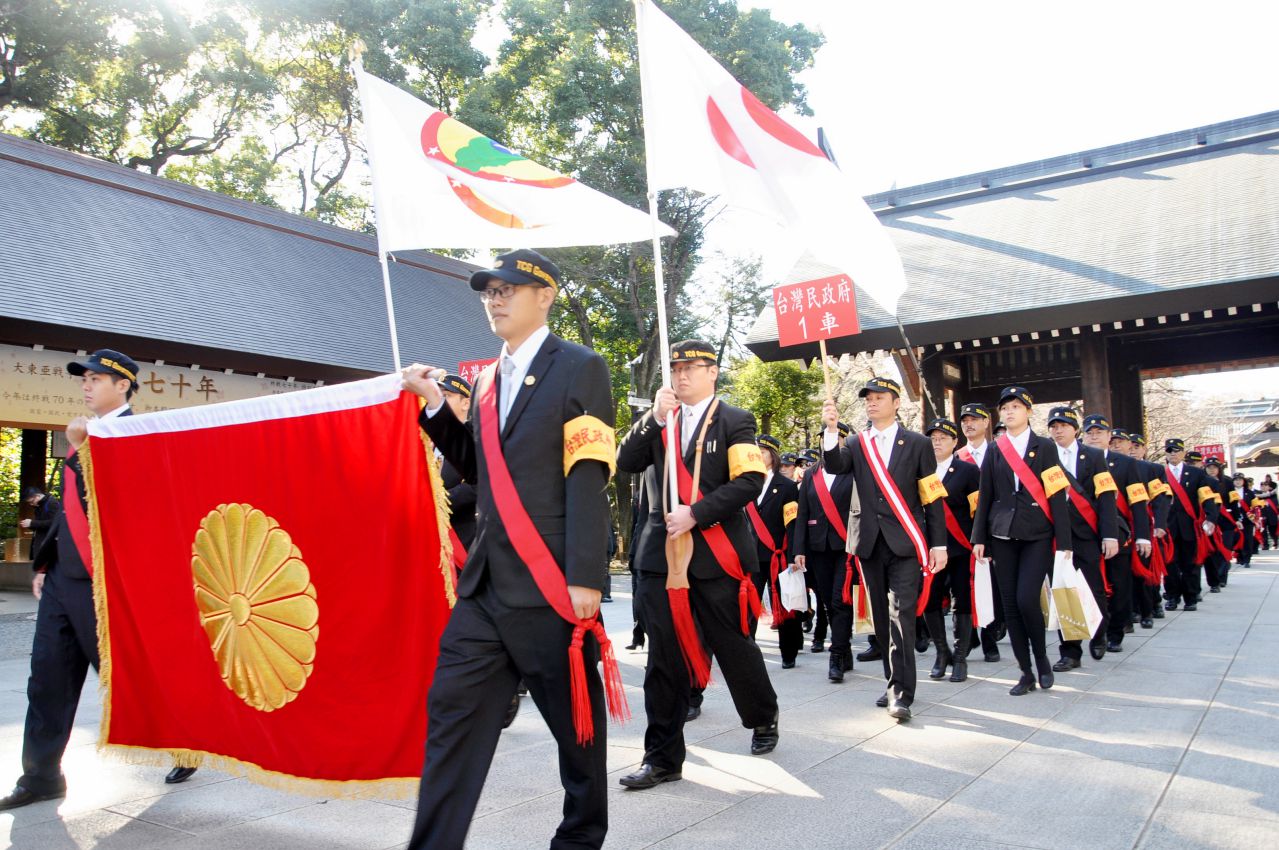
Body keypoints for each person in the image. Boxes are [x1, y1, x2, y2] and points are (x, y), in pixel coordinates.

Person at [402, 249, 616, 850]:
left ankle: (580, 838)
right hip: (486, 588)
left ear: (544, 296)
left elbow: (588, 473)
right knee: (451, 716)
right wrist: (435, 406)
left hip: (549, 583)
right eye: (489, 291)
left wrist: (586, 576)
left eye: (508, 290)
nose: (494, 300)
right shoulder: (486, 379)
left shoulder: (581, 367)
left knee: (576, 733)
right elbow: (480, 469)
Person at [1, 350, 199, 808]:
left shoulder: (135, 436)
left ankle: (187, 744)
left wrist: (83, 451)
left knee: (133, 679)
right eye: (84, 379)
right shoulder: (83, 434)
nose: (86, 386)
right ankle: (41, 776)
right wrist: (45, 564)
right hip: (62, 581)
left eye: (96, 379)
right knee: (47, 679)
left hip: (106, 584)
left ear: (123, 385)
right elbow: (67, 512)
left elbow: (116, 505)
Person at [616, 339, 779, 791]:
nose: (682, 374)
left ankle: (762, 716)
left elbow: (749, 480)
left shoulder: (734, 420)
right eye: (676, 368)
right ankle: (661, 759)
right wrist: (653, 417)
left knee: (732, 644)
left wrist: (697, 512)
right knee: (662, 658)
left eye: (692, 367)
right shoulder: (660, 421)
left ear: (713, 372)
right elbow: (625, 461)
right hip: (661, 554)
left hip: (715, 551)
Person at [820, 377, 948, 721]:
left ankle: (901, 694)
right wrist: (830, 431)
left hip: (905, 541)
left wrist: (938, 543)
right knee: (880, 617)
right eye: (868, 399)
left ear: (896, 402)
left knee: (901, 616)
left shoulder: (918, 443)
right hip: (868, 541)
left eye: (879, 397)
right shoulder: (856, 443)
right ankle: (893, 682)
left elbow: (932, 496)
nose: (872, 403)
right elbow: (835, 466)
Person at [971, 386, 1072, 697]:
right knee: (1011, 605)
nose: (1009, 412)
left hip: (1036, 534)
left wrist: (1064, 540)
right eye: (1005, 408)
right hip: (1002, 534)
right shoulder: (994, 449)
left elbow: (1056, 492)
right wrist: (979, 537)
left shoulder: (1045, 447)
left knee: (1027, 599)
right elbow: (986, 494)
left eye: (1016, 406)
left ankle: (1041, 658)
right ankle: (1025, 670)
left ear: (1028, 411)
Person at [1046, 408, 1118, 672]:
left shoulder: (1094, 456)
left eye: (1063, 425)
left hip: (1087, 532)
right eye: (1054, 426)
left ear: (1075, 429)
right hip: (1057, 535)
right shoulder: (1045, 455)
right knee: (1063, 590)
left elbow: (1106, 497)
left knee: (1094, 587)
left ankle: (1099, 631)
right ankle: (1070, 651)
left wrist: (1109, 534)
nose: (1058, 430)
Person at [792, 422, 858, 681]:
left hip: (846, 545)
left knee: (841, 599)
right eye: (825, 437)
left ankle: (837, 654)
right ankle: (845, 647)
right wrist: (799, 549)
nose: (829, 442)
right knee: (829, 601)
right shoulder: (812, 474)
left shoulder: (854, 471)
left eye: (837, 437)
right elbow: (802, 513)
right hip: (818, 546)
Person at [1082, 418, 1151, 652]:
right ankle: (1097, 630)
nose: (1094, 436)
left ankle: (1115, 632)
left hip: (1118, 533)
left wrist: (1143, 535)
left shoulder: (1126, 463)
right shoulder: (1074, 459)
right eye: (1089, 432)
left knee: (1120, 585)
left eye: (1099, 432)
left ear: (1109, 435)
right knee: (1091, 585)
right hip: (1085, 532)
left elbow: (1138, 501)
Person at [920, 418, 980, 683]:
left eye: (943, 438)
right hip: (929, 548)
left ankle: (960, 657)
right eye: (933, 438)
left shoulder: (968, 471)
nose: (937, 442)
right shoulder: (920, 470)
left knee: (961, 601)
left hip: (960, 547)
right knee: (930, 600)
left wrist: (979, 541)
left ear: (955, 442)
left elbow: (977, 510)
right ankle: (941, 652)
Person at [746, 435, 802, 667]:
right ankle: (747, 651)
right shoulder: (746, 482)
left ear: (773, 456)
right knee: (749, 604)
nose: (758, 455)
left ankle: (789, 652)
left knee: (785, 603)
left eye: (763, 452)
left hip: (778, 555)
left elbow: (793, 524)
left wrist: (794, 554)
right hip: (751, 554)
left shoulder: (786, 487)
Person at [958, 401, 1005, 663]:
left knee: (991, 587)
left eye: (975, 419)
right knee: (964, 588)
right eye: (965, 420)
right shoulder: (956, 457)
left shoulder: (1000, 452)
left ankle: (990, 638)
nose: (969, 424)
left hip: (993, 531)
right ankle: (969, 638)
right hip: (962, 533)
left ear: (987, 422)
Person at [1160, 439, 1220, 612]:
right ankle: (1172, 596)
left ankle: (1191, 598)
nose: (1173, 454)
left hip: (1189, 526)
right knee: (1170, 564)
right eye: (1169, 450)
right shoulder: (1159, 473)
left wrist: (1211, 518)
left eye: (1176, 450)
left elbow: (1207, 497)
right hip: (1167, 526)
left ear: (1183, 453)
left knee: (1190, 564)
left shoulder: (1196, 473)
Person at [1203, 458, 1233, 590]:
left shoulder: (1227, 482)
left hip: (1225, 521)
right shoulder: (1201, 480)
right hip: (1208, 521)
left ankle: (1222, 577)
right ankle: (1214, 580)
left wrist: (1236, 519)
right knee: (1211, 552)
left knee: (1224, 549)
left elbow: (1233, 502)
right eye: (1209, 467)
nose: (1212, 470)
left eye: (1214, 467)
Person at [19, 487, 61, 563]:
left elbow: (55, 523)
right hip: (40, 544)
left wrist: (32, 523)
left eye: (32, 501)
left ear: (37, 496)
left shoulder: (52, 503)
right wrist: (30, 525)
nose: (31, 504)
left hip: (49, 545)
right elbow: (40, 525)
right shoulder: (39, 506)